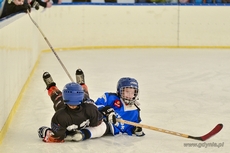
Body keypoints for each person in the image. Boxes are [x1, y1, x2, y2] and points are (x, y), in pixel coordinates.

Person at [37, 72, 110, 143]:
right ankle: (51, 86)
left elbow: (97, 123)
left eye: (75, 102)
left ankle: (81, 83)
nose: (73, 105)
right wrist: (46, 131)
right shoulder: (60, 116)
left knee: (85, 93)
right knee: (56, 96)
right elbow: (56, 136)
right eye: (70, 103)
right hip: (62, 105)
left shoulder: (90, 109)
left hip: (84, 102)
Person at [77, 68, 145, 137]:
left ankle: (82, 135)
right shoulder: (110, 97)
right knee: (85, 105)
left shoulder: (135, 111)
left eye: (132, 92)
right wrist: (106, 109)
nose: (130, 95)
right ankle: (82, 89)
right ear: (120, 91)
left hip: (108, 126)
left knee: (102, 127)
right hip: (96, 116)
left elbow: (130, 128)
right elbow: (95, 105)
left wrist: (136, 130)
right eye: (127, 91)